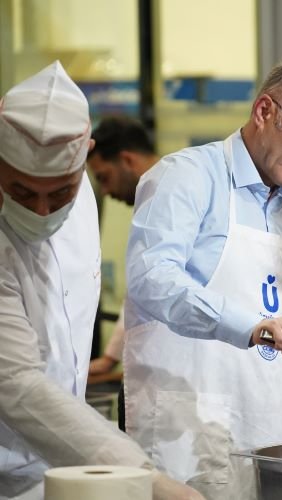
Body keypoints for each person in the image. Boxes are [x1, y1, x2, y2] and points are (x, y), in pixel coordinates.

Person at [123, 56, 282, 499]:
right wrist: (248, 325)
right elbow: (151, 277)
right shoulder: (188, 176)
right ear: (265, 111)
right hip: (186, 429)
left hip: (266, 431)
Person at [0, 62, 202, 500]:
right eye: (20, 192)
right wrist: (141, 475)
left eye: (58, 194)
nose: (39, 210)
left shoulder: (88, 199)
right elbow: (14, 380)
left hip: (68, 462)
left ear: (86, 155)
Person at [86, 117, 160, 377]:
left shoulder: (172, 200)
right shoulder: (151, 203)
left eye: (104, 177)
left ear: (127, 160)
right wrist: (109, 357)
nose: (105, 191)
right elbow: (141, 289)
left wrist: (109, 359)